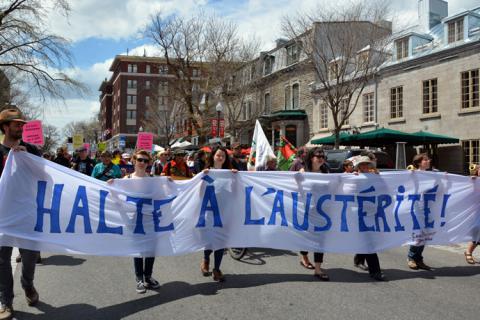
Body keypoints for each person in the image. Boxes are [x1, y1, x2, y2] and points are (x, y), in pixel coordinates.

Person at [0, 108, 41, 320]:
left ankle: (28, 284)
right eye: (16, 123)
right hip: (2, 215)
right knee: (2, 258)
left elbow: (45, 177)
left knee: (30, 255)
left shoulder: (32, 150)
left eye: (22, 123)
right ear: (5, 127)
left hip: (27, 213)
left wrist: (28, 160)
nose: (20, 126)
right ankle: (5, 301)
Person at [107, 150, 161, 293]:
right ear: (134, 161)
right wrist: (111, 186)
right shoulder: (126, 180)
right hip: (134, 219)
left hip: (150, 219)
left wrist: (170, 182)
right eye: (140, 160)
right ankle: (139, 279)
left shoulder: (153, 180)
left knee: (150, 249)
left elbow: (163, 194)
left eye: (145, 160)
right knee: (138, 249)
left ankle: (148, 276)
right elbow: (115, 197)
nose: (142, 163)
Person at [200, 146, 237, 282]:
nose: (220, 157)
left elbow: (234, 193)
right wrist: (203, 177)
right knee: (210, 240)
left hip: (224, 212)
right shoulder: (207, 173)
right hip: (209, 212)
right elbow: (199, 193)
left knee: (221, 241)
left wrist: (235, 178)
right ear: (213, 157)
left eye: (223, 156)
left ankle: (217, 269)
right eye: (218, 155)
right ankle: (205, 259)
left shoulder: (229, 174)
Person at [298, 147, 330, 281]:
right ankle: (304, 256)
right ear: (312, 157)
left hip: (321, 211)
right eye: (318, 156)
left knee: (320, 240)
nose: (321, 158)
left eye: (323, 156)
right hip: (306, 210)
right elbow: (295, 187)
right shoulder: (303, 171)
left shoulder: (326, 172)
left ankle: (318, 269)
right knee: (307, 237)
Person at [352, 156, 386, 281]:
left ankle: (359, 258)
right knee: (369, 242)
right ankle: (375, 271)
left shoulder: (376, 177)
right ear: (359, 166)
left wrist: (379, 178)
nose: (365, 166)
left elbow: (385, 189)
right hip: (358, 214)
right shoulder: (354, 177)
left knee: (367, 239)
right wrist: (352, 177)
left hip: (373, 213)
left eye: (367, 164)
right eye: (362, 164)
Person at [406, 153, 432, 271]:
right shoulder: (413, 173)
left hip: (429, 208)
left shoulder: (433, 174)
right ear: (418, 162)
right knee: (418, 233)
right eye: (425, 160)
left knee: (425, 234)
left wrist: (446, 177)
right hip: (417, 207)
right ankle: (411, 257)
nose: (428, 161)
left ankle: (419, 258)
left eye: (428, 159)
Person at [465, 164, 480, 264]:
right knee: (478, 231)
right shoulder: (474, 180)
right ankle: (468, 252)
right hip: (477, 210)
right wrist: (472, 180)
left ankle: (468, 252)